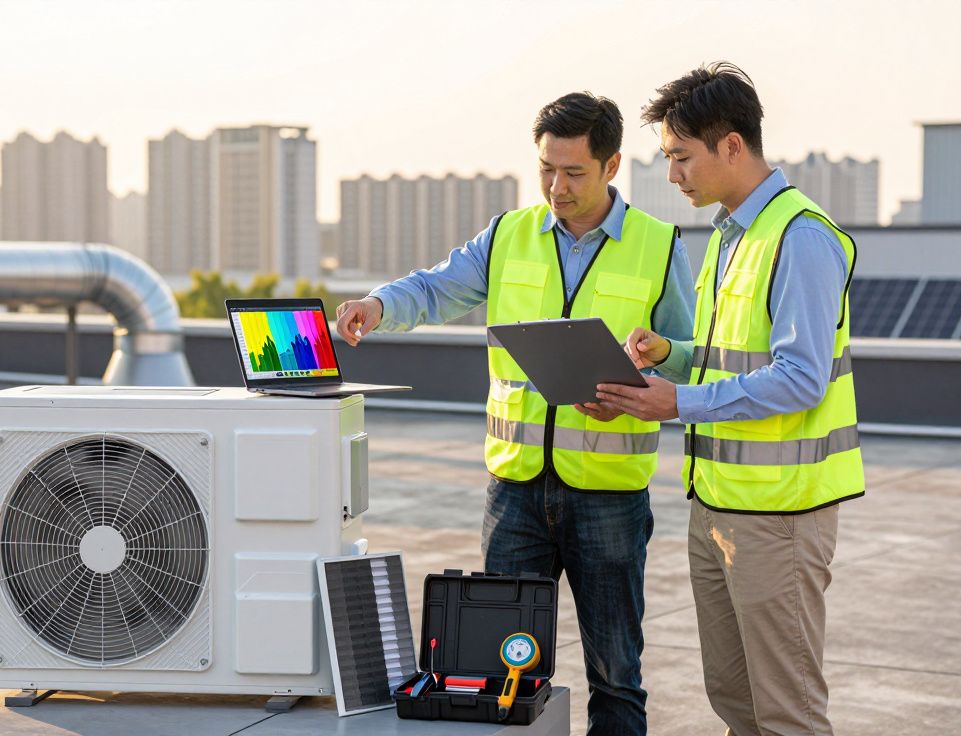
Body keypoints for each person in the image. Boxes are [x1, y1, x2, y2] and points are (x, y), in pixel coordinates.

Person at [334, 92, 694, 735]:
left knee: (616, 677)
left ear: (612, 165)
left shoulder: (660, 247)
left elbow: (686, 363)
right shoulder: (507, 235)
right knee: (498, 675)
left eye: (574, 172)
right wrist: (378, 305)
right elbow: (434, 289)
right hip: (515, 493)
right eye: (546, 169)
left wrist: (639, 384)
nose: (556, 187)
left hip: (608, 496)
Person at [593, 62, 864, 736]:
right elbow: (729, 361)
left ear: (733, 146)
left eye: (681, 157)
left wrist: (677, 401)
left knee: (787, 712)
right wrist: (671, 356)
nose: (672, 173)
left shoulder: (799, 238)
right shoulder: (729, 234)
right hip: (717, 504)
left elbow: (800, 376)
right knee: (735, 701)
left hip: (779, 518)